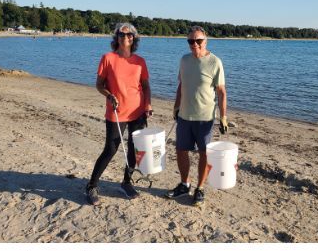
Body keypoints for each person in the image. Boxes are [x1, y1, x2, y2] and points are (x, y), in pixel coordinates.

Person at [86, 23, 152, 205]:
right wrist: (109, 95)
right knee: (111, 149)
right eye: (121, 35)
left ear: (134, 38)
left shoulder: (140, 61)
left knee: (134, 149)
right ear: (117, 38)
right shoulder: (108, 58)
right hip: (116, 112)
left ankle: (126, 182)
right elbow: (99, 85)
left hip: (138, 112)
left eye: (129, 35)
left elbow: (146, 87)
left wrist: (148, 105)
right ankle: (92, 185)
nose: (125, 38)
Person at [166, 26, 228, 207]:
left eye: (198, 41)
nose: (195, 44)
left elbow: (222, 92)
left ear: (205, 41)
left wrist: (223, 117)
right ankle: (185, 184)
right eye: (191, 41)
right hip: (184, 116)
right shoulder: (184, 60)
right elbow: (181, 85)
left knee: (204, 154)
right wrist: (176, 106)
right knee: (180, 151)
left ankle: (199, 188)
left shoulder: (215, 62)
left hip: (205, 118)